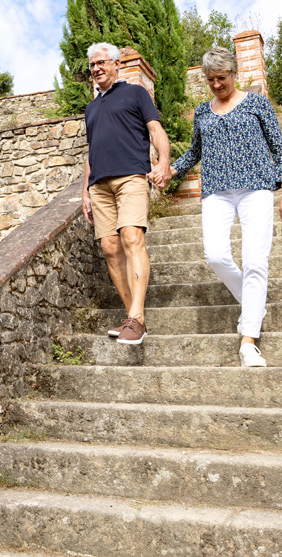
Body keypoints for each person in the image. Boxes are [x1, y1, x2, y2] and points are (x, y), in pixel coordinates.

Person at [158, 46, 282, 368]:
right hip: (217, 192)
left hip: (257, 189)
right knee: (216, 255)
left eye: (221, 78)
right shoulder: (203, 112)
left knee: (255, 261)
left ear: (234, 74)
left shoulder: (258, 104)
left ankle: (249, 342)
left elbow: (278, 148)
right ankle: (254, 306)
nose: (216, 84)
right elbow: (195, 152)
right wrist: (170, 170)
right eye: (210, 80)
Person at [80, 42, 172, 345]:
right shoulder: (91, 108)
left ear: (117, 64)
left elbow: (156, 130)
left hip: (131, 176)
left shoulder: (135, 93)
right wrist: (85, 193)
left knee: (132, 236)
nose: (96, 69)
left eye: (102, 63)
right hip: (100, 186)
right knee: (109, 247)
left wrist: (164, 162)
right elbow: (90, 153)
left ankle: (137, 319)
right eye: (92, 65)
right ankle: (130, 316)